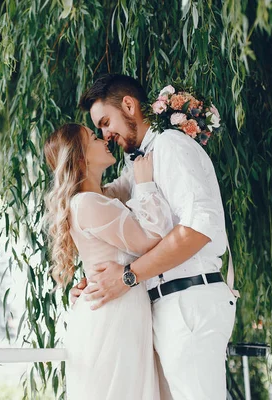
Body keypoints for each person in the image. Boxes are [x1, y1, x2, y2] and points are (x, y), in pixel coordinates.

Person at [71, 74, 238, 400]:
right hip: (164, 304)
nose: (105, 135)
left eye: (105, 122)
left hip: (188, 299)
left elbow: (197, 229)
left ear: (129, 106)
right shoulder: (139, 166)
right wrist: (95, 278)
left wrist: (129, 277)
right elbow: (129, 233)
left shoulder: (170, 147)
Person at [44, 123, 172, 399]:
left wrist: (161, 124)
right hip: (113, 315)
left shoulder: (101, 197)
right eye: (93, 137)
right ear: (81, 158)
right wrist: (147, 184)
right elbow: (152, 238)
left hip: (120, 309)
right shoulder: (88, 203)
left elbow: (128, 180)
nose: (103, 138)